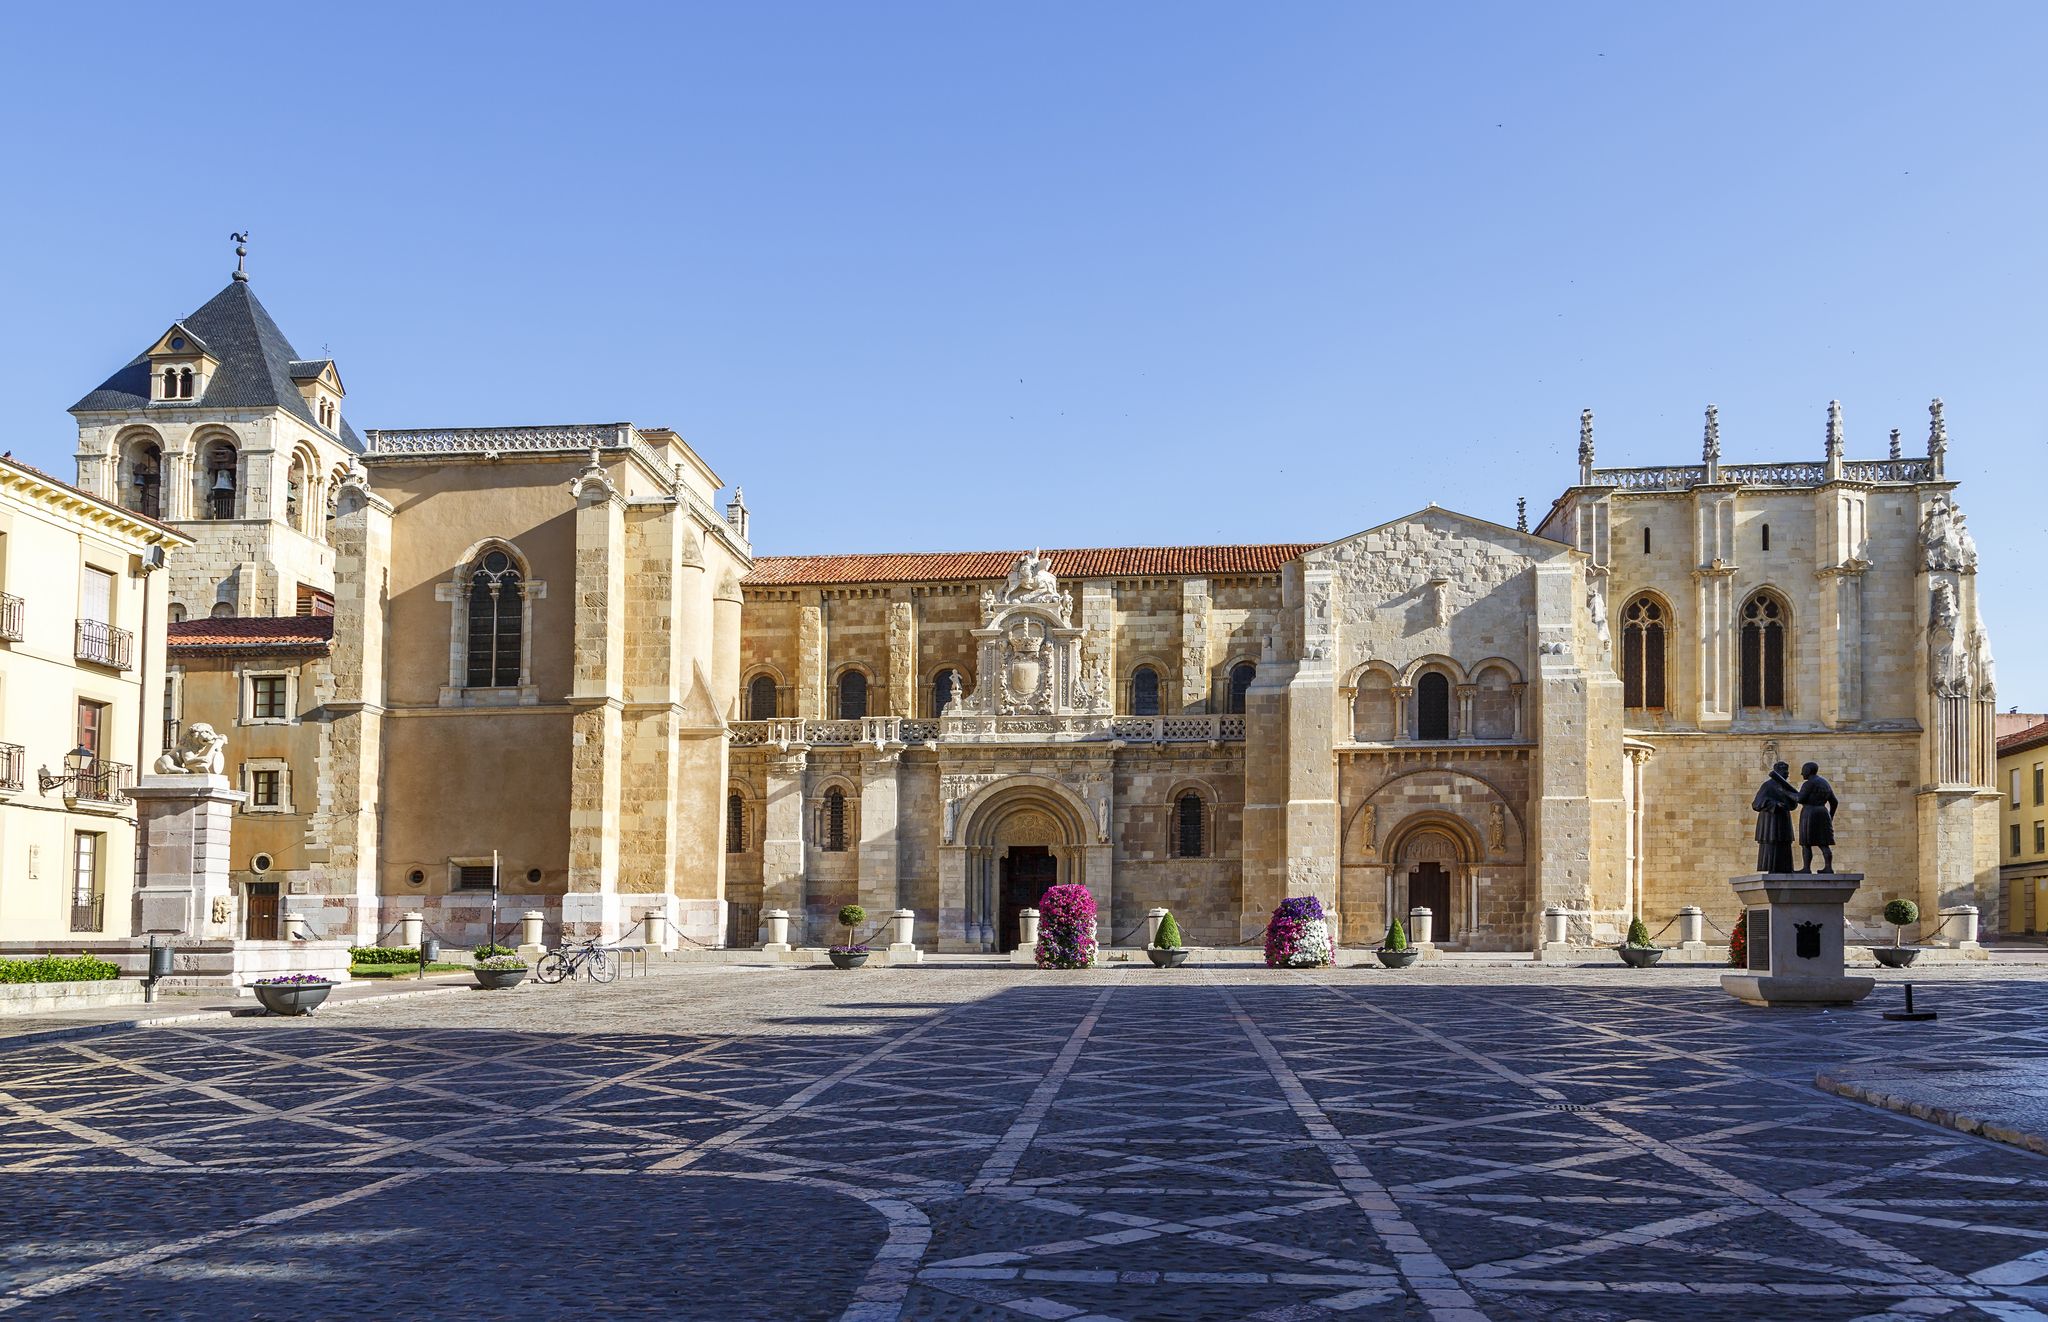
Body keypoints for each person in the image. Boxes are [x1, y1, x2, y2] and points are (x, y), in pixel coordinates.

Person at [1751, 761, 1798, 873]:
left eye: (1788, 771)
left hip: (1783, 819)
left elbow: (1794, 804)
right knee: (1772, 841)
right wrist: (1775, 804)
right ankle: (1771, 867)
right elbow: (1756, 803)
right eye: (1784, 771)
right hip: (1770, 821)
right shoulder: (1767, 785)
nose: (1787, 774)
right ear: (1777, 772)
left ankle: (1786, 868)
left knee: (1784, 842)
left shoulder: (1786, 786)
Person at [1796, 762, 1838, 874]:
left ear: (1809, 771)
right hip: (1822, 813)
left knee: (1806, 843)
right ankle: (1828, 867)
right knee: (1824, 843)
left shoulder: (1809, 784)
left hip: (1810, 813)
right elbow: (1834, 802)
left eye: (1803, 770)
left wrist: (1787, 793)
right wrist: (1830, 816)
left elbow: (1800, 799)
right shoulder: (1824, 783)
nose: (1801, 773)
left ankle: (1806, 868)